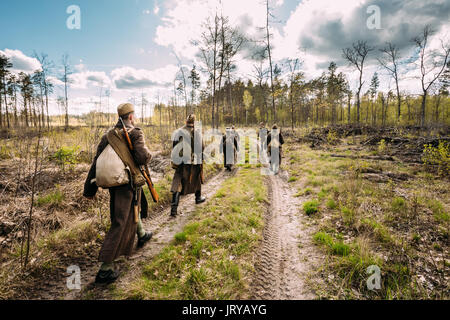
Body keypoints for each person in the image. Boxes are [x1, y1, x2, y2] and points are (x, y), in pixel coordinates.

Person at [83, 103, 153, 284]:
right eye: (134, 115)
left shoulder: (108, 136)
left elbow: (95, 164)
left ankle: (142, 233)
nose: (134, 117)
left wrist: (89, 189)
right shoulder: (135, 132)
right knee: (120, 221)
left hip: (115, 183)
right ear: (130, 117)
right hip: (126, 183)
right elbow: (142, 157)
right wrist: (149, 155)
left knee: (134, 207)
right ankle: (105, 268)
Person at [170, 114, 206, 217]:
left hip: (180, 161)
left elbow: (174, 146)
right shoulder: (197, 132)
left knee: (177, 181)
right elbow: (202, 147)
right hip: (193, 161)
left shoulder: (178, 131)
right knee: (197, 177)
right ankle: (198, 198)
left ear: (186, 121)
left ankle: (173, 208)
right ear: (194, 122)